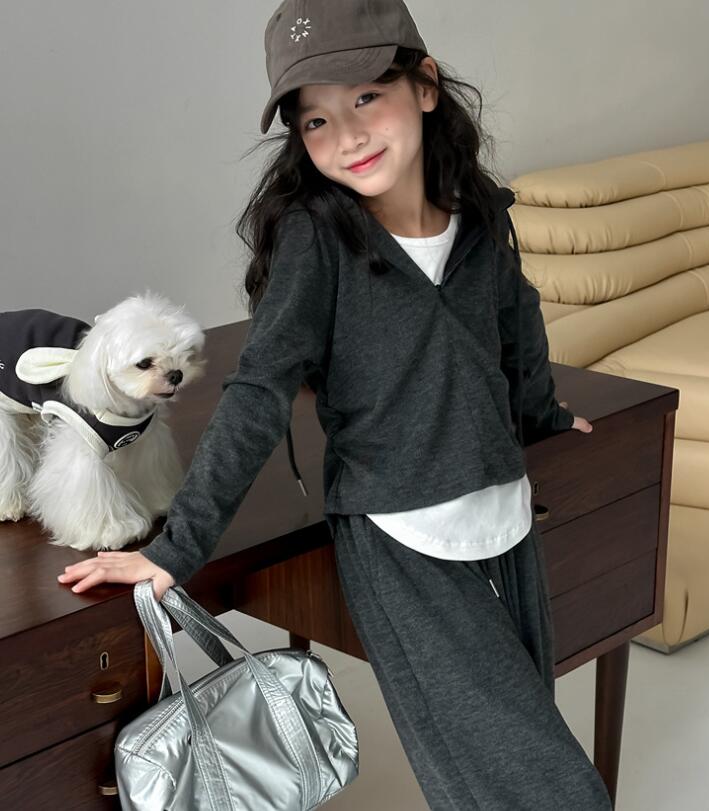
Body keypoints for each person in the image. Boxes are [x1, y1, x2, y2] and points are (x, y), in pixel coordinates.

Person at [58, 1, 613, 808]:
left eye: (365, 97)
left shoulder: (479, 214)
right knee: (549, 786)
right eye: (316, 119)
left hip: (503, 514)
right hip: (400, 533)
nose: (346, 135)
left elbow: (514, 328)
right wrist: (177, 549)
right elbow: (257, 391)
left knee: (499, 767)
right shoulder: (317, 238)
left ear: (424, 85)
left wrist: (545, 419)